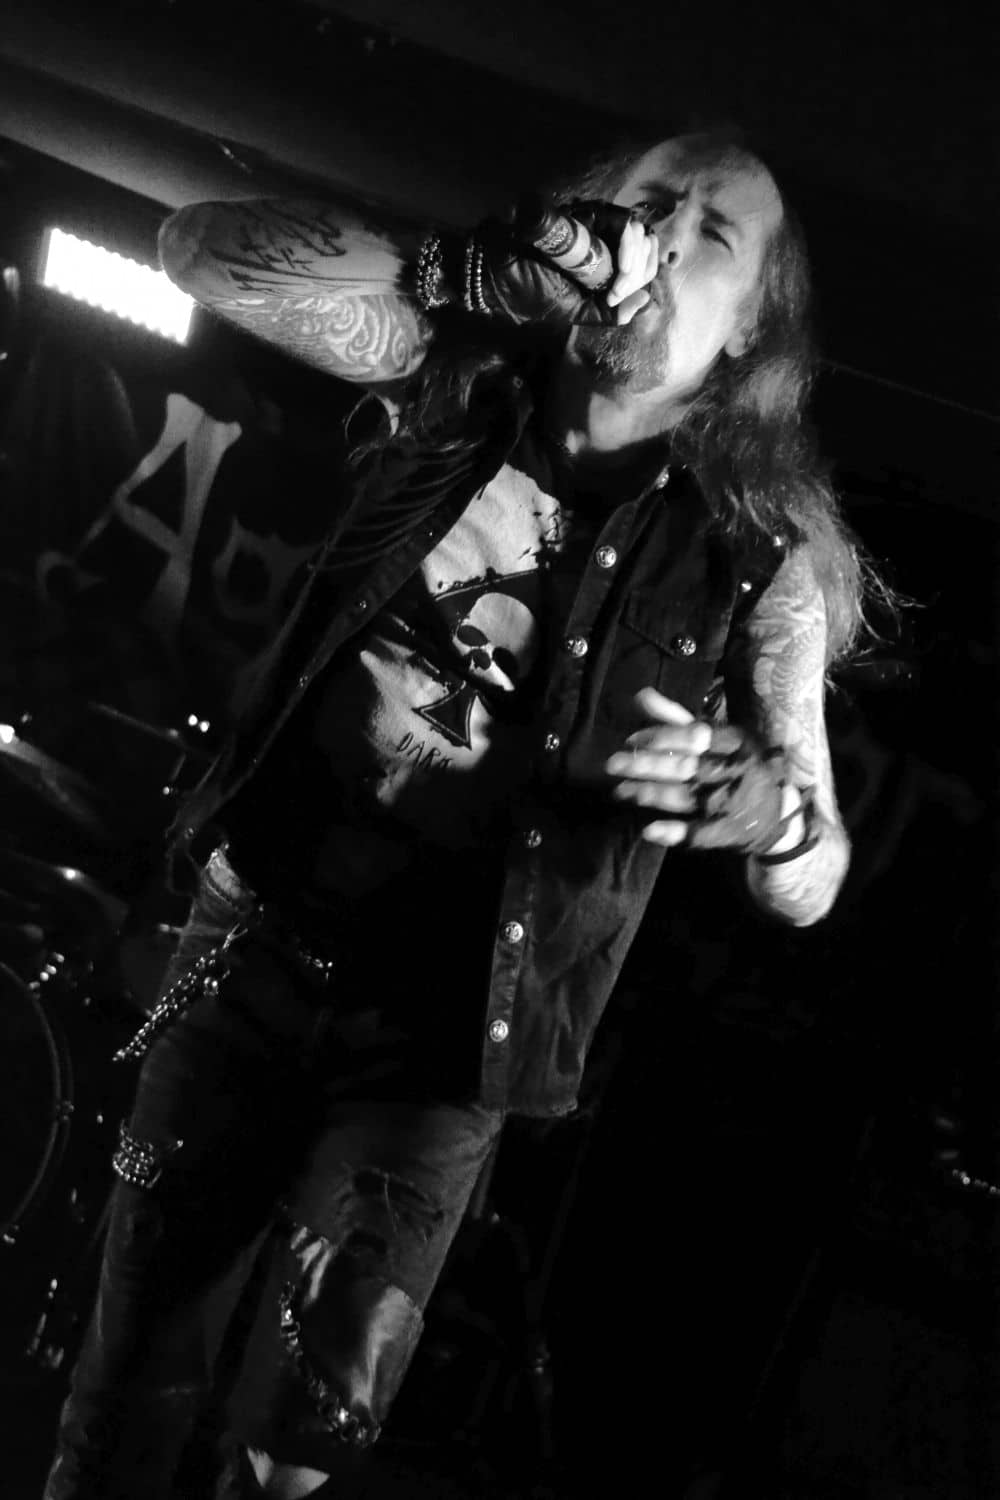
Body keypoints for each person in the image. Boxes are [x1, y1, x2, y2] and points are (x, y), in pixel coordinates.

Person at [43, 130, 866, 1500]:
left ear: (745, 335)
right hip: (252, 942)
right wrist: (467, 271)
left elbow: (816, 873)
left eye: (710, 233)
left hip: (435, 1047)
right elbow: (194, 248)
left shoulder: (753, 559)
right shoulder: (457, 374)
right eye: (650, 201)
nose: (660, 236)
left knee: (296, 1449)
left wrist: (770, 813)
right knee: (126, 1388)